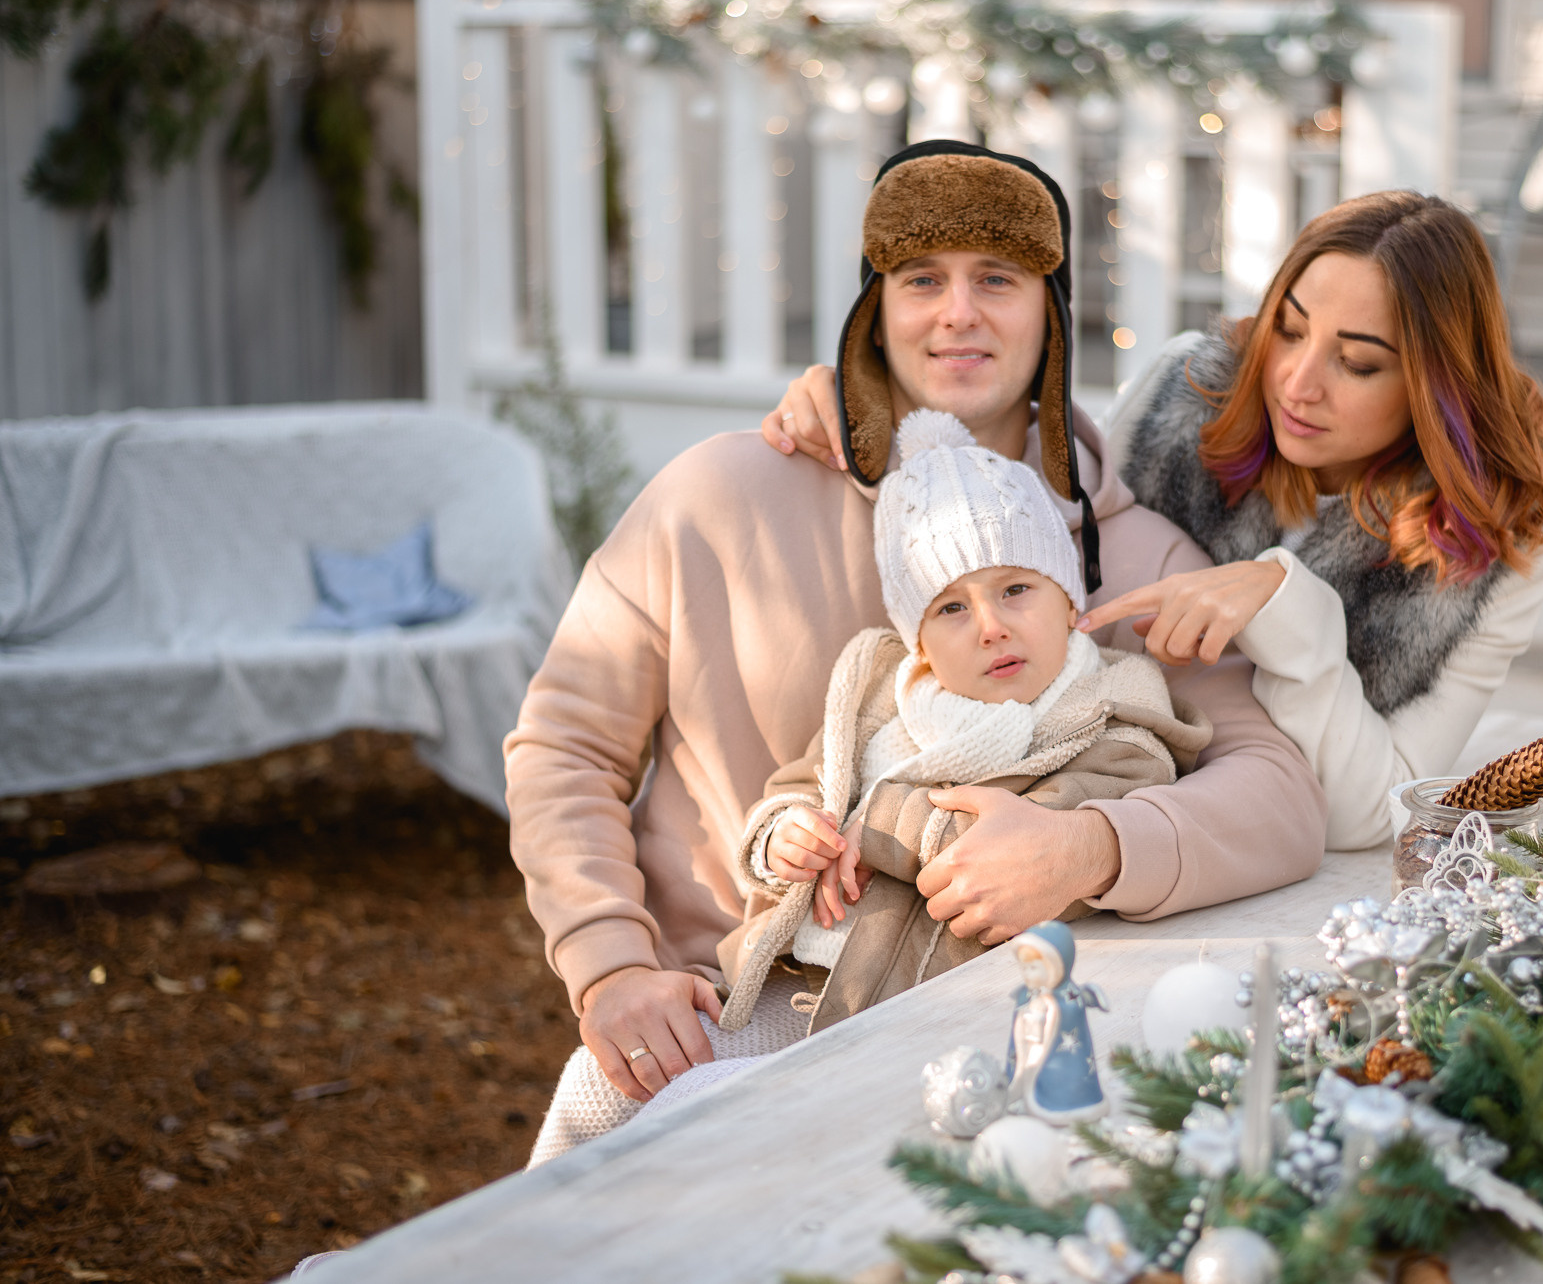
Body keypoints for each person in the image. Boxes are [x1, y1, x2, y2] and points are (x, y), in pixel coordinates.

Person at [505, 140, 1326, 1137]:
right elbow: (564, 743)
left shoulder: (1129, 552)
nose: (959, 313)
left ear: (1052, 313)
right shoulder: (719, 496)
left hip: (984, 1034)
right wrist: (612, 963)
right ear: (874, 308)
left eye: (999, 279)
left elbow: (1277, 792)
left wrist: (1094, 846)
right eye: (921, 279)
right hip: (721, 1004)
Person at [767, 191, 1543, 853]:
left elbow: (1374, 815)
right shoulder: (1186, 396)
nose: (1295, 381)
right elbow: (1036, 512)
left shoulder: (1501, 545)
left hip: (1256, 867)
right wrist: (869, 398)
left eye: (1357, 362)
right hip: (1092, 802)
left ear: (1435, 385)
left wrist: (1285, 606)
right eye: (1288, 329)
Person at [722, 407, 1209, 1032]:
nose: (990, 627)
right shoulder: (880, 698)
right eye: (951, 608)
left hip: (949, 1010)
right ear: (918, 642)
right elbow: (797, 788)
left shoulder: (1110, 712)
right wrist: (786, 836)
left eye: (1015, 591)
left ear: (1068, 602)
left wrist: (872, 825)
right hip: (797, 978)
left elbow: (1048, 838)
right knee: (620, 1097)